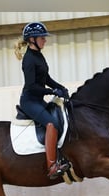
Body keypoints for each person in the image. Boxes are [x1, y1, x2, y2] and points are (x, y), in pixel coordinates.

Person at [14, 22, 70, 179]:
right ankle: (52, 166)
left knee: (59, 121)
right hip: (30, 101)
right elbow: (31, 87)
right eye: (42, 38)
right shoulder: (29, 60)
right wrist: (52, 91)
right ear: (32, 39)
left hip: (38, 100)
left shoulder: (39, 56)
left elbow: (46, 78)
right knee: (51, 124)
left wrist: (60, 87)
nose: (45, 40)